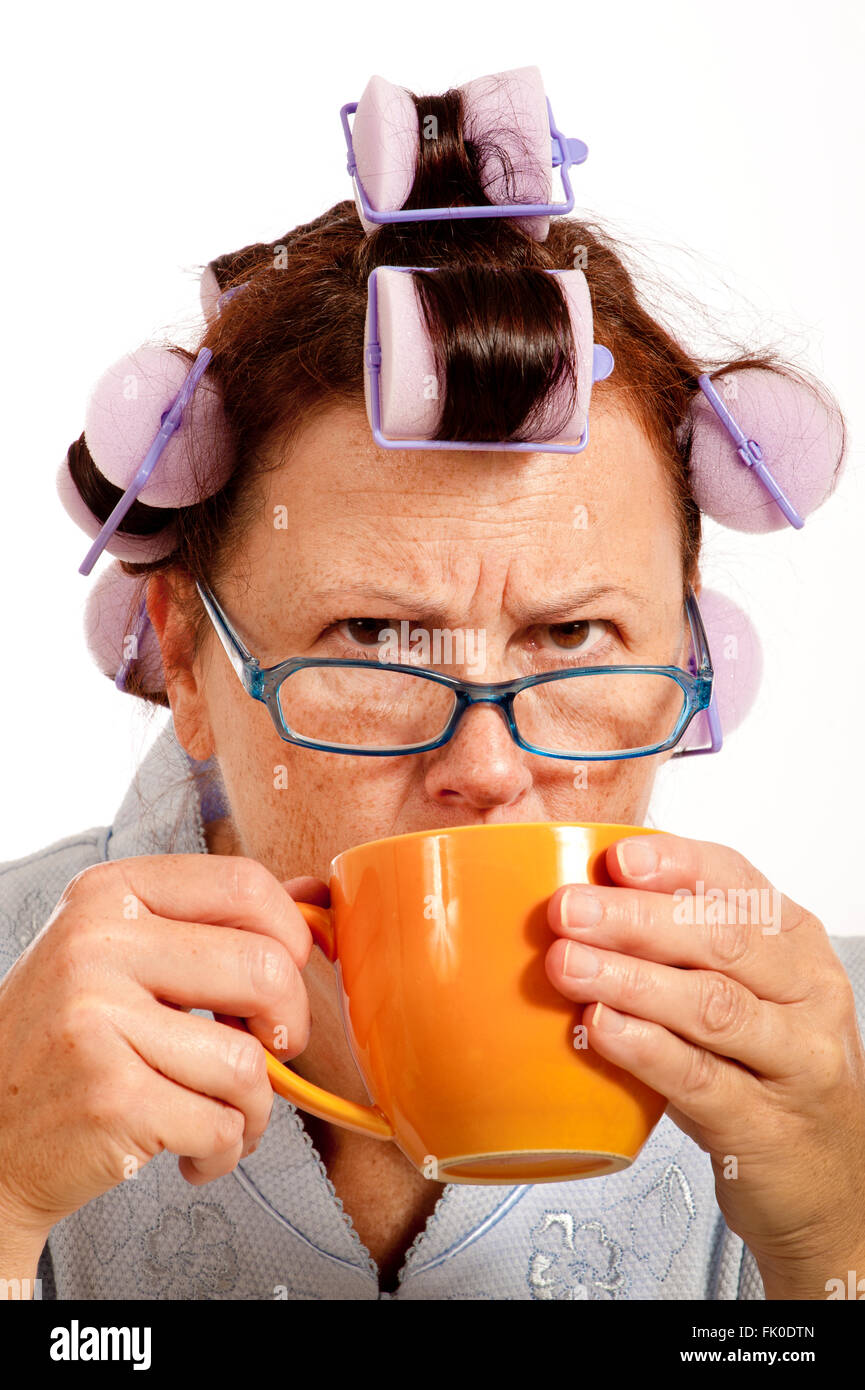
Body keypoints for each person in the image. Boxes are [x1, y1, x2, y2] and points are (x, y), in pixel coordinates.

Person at [1, 78, 863, 1302]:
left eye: (572, 634)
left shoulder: (841, 1068)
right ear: (187, 659)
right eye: (374, 634)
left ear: (692, 654)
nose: (492, 769)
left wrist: (835, 1254)